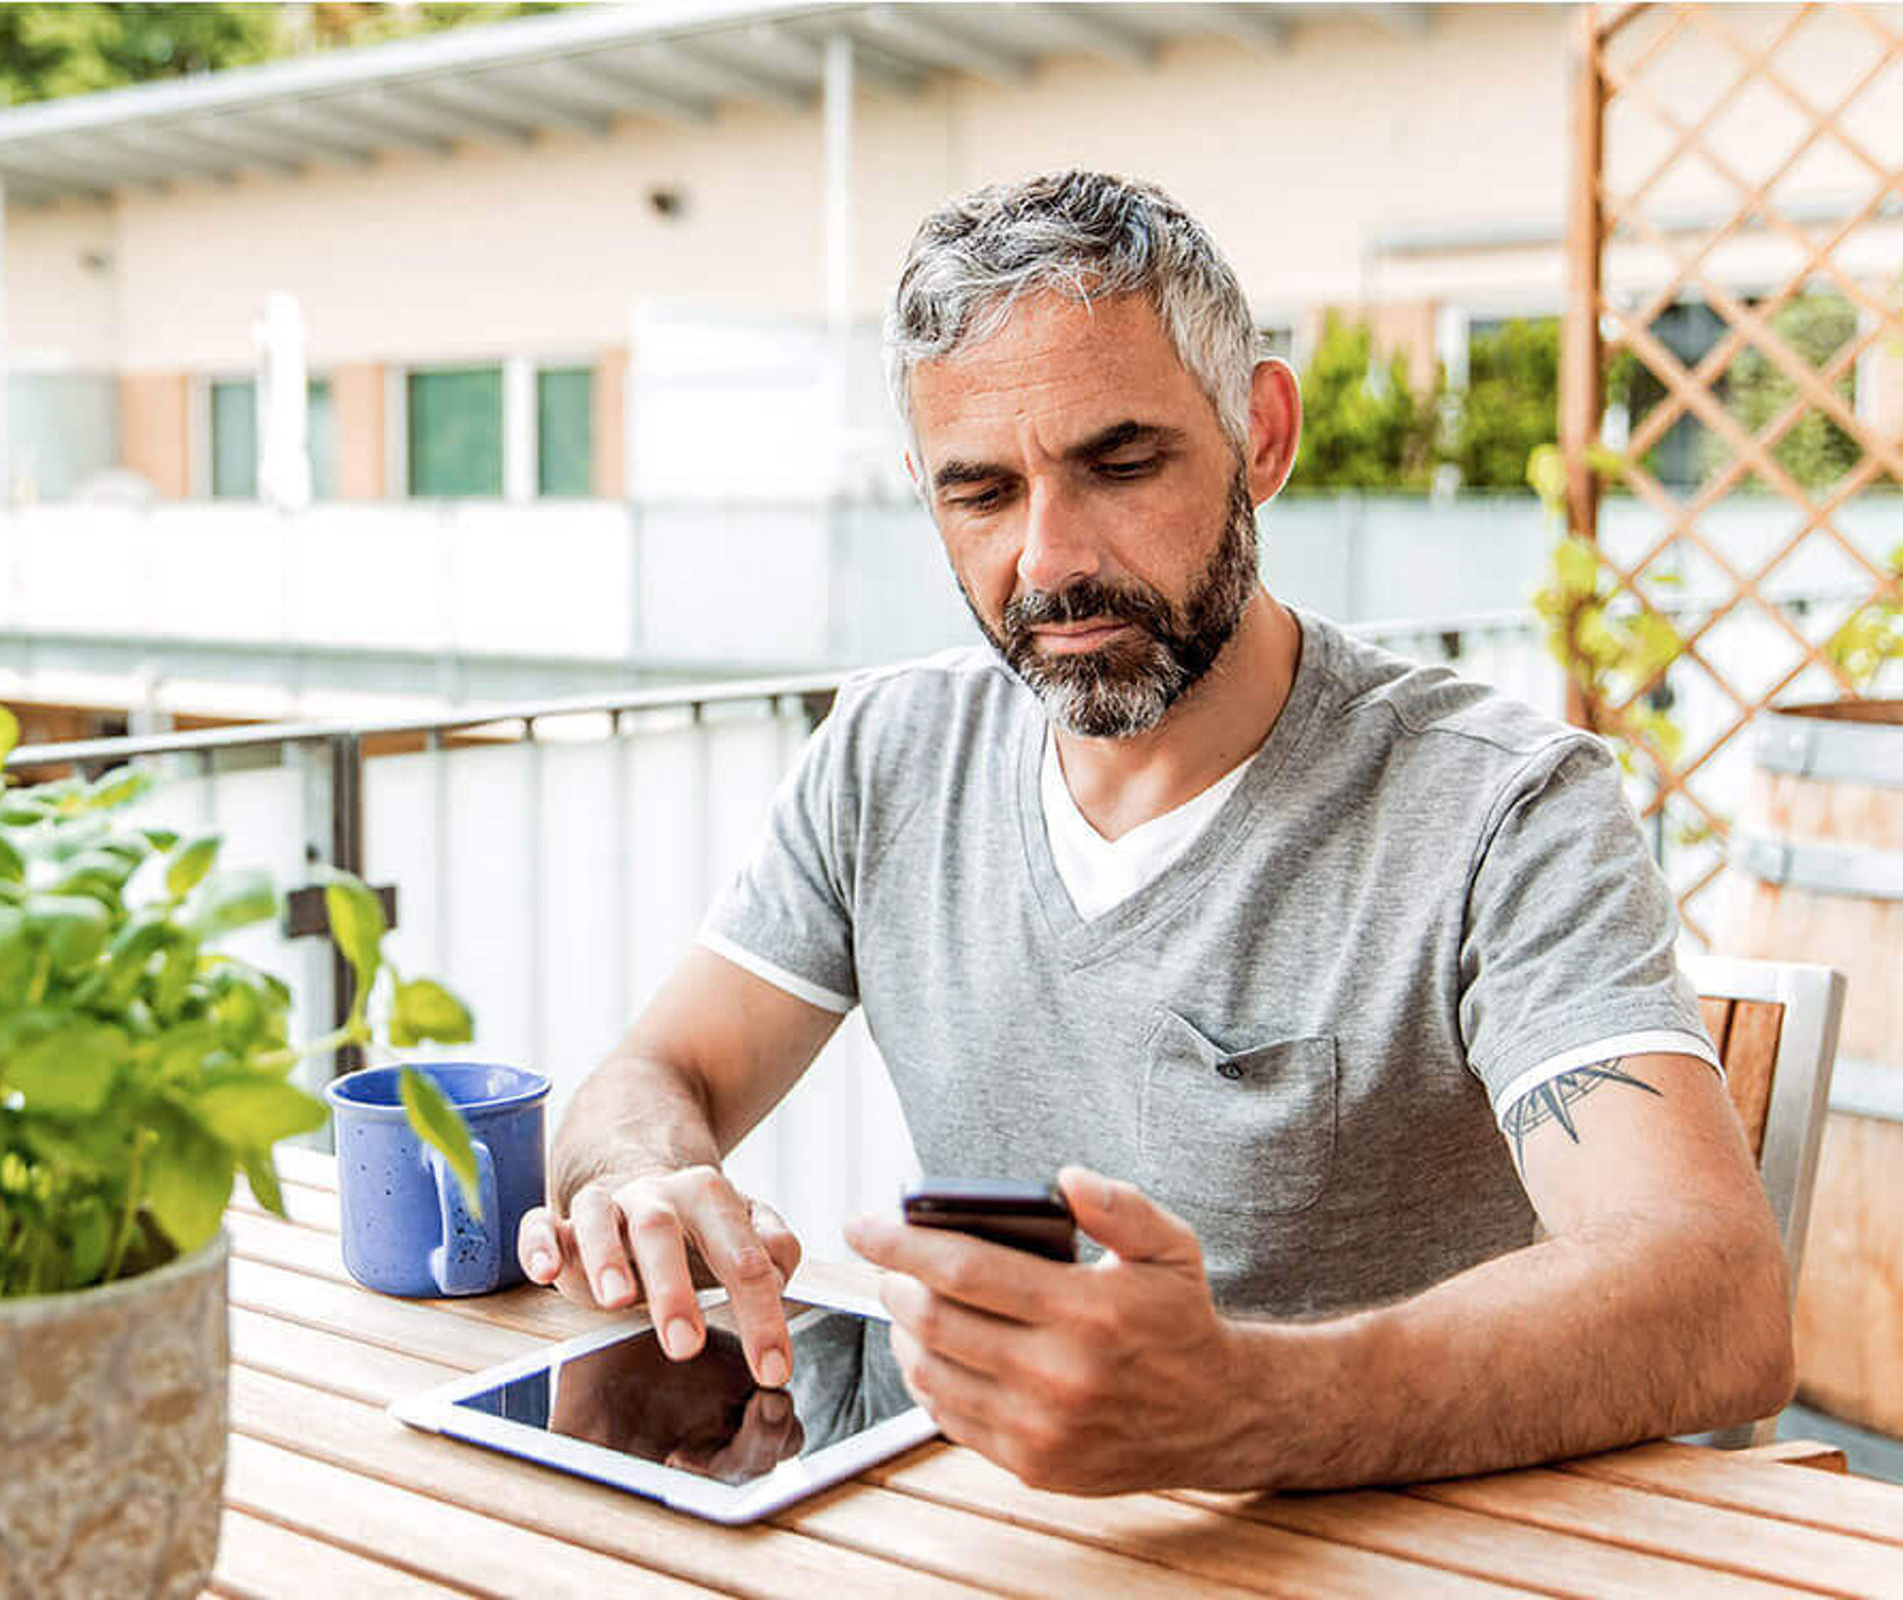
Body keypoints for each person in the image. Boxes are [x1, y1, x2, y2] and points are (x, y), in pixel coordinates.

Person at [516, 171, 1794, 1494]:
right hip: (978, 1536)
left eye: (1119, 465)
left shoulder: (1502, 806)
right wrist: (640, 1176)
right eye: (981, 495)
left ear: (1261, 434)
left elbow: (1717, 1302)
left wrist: (1250, 1407)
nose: (1049, 559)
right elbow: (663, 1072)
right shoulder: (888, 755)